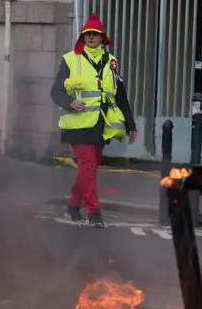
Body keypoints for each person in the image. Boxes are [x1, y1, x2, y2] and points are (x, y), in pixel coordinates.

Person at [50, 12, 137, 227]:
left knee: (90, 167)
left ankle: (73, 205)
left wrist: (130, 123)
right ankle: (94, 211)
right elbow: (55, 91)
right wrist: (70, 102)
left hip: (101, 124)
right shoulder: (71, 59)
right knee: (88, 164)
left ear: (102, 38)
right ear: (82, 37)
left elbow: (120, 94)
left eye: (95, 34)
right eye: (87, 34)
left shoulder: (112, 62)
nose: (91, 37)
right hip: (77, 123)